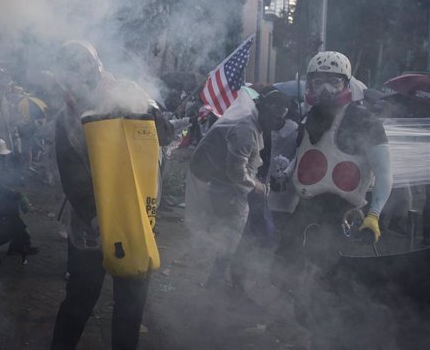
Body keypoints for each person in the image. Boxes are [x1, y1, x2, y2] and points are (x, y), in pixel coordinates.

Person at [50, 40, 173, 350]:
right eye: (71, 72)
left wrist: (155, 120)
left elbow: (165, 134)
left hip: (134, 216)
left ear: (96, 68)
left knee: (130, 306)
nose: (78, 79)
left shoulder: (128, 94)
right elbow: (72, 179)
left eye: (83, 70)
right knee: (79, 300)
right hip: (90, 223)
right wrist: (96, 217)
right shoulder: (65, 119)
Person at [275, 51, 393, 348]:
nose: (325, 88)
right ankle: (310, 330)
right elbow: (304, 155)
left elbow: (384, 173)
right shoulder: (309, 117)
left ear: (346, 84)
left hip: (340, 216)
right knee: (288, 274)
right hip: (305, 212)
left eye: (333, 81)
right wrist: (284, 172)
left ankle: (329, 338)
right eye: (318, 80)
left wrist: (374, 215)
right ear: (309, 84)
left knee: (333, 285)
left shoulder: (364, 122)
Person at [184, 85, 291, 289]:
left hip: (232, 187)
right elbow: (236, 172)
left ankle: (223, 283)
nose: (279, 122)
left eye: (282, 117)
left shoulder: (255, 124)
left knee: (238, 238)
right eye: (277, 116)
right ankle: (217, 285)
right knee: (234, 238)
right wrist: (258, 187)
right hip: (226, 188)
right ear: (266, 110)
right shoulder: (246, 130)